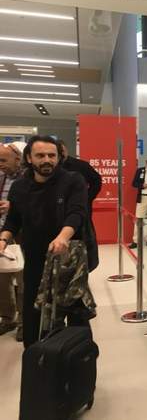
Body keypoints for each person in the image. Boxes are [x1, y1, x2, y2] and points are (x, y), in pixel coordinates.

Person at [0, 135, 91, 348]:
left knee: (76, 314)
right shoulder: (20, 187)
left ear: (59, 157)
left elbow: (77, 213)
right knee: (33, 312)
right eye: (40, 155)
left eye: (52, 155)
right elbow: (13, 220)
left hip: (68, 258)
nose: (47, 160)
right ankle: (35, 355)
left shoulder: (73, 180)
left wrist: (63, 237)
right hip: (34, 258)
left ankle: (80, 359)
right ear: (29, 158)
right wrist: (3, 239)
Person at [0, 143, 25, 341]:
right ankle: (8, 318)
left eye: (3, 160)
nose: (0, 164)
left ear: (18, 159)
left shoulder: (29, 178)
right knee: (2, 278)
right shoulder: (1, 177)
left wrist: (14, 206)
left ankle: (25, 322)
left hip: (22, 234)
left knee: (24, 279)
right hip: (2, 234)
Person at [56, 139, 102, 215]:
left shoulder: (81, 165)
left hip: (80, 209)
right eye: (59, 152)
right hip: (58, 210)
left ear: (66, 150)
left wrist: (88, 197)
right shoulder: (51, 168)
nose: (62, 154)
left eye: (62, 151)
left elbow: (97, 181)